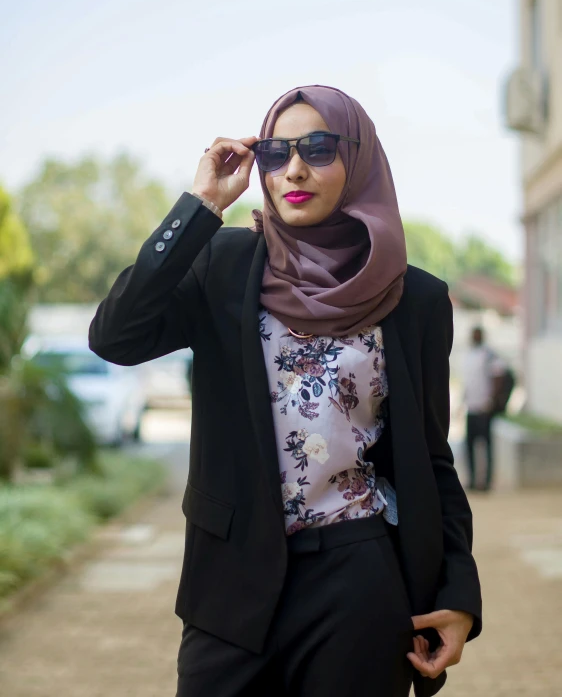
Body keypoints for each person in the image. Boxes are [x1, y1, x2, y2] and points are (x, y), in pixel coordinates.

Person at [89, 85, 482, 697]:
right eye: (276, 152)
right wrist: (200, 205)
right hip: (229, 584)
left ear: (360, 160)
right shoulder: (222, 264)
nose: (294, 168)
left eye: (319, 148)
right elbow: (116, 335)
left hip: (358, 580)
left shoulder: (416, 301)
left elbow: (431, 458)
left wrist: (459, 594)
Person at [463, 325, 506, 492]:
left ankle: (486, 481)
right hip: (471, 407)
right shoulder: (469, 355)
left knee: (486, 446)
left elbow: (498, 375)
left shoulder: (489, 355)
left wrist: (492, 399)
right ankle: (473, 479)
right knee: (469, 446)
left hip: (484, 407)